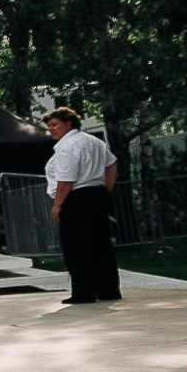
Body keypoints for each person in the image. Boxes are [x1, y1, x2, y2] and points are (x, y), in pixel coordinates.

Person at [43, 107, 122, 305]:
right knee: (101, 243)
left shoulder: (67, 147)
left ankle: (84, 291)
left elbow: (66, 180)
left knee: (76, 245)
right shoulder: (95, 141)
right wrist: (105, 189)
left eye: (54, 125)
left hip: (76, 197)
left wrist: (57, 205)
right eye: (49, 126)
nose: (51, 129)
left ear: (68, 123)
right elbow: (112, 164)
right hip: (96, 194)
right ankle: (108, 289)